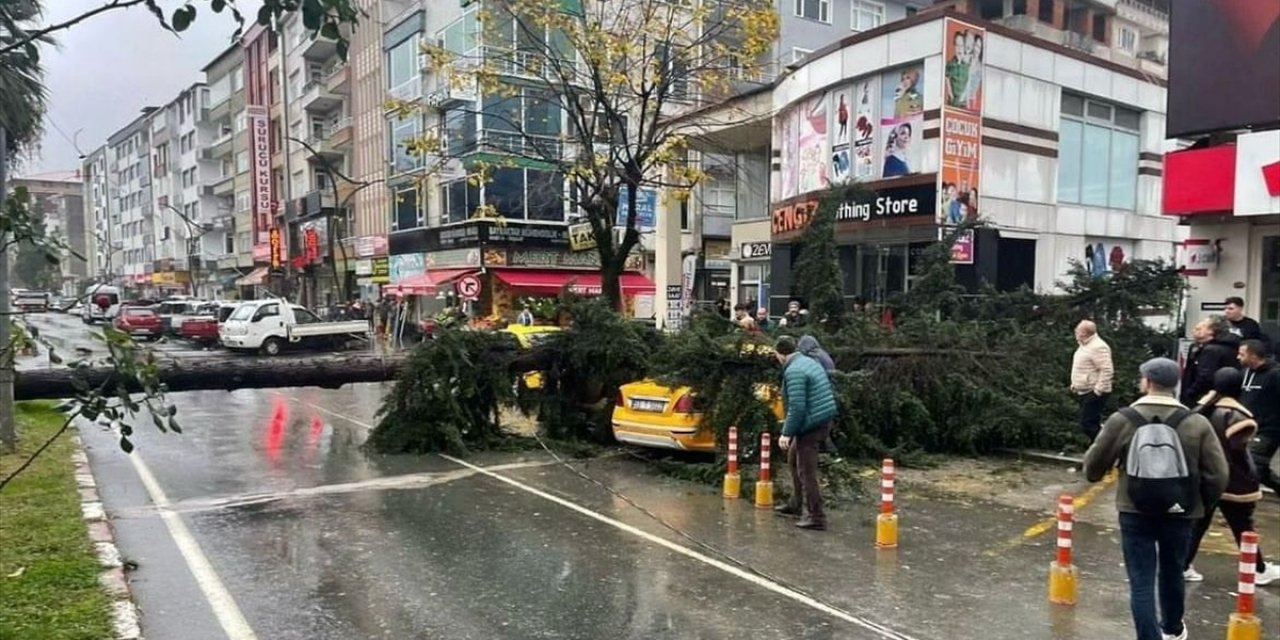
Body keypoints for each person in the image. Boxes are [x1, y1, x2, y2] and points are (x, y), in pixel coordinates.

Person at [1082, 358, 1228, 640]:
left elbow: (1092, 468)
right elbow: (1219, 474)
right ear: (1175, 384)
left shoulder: (1122, 419)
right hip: (1182, 511)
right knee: (1173, 570)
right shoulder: (1196, 422)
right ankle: (1173, 629)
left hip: (1134, 509)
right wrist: (1202, 503)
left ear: (1147, 381)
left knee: (1141, 581)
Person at [1184, 368, 1280, 585]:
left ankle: (1183, 565)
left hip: (1205, 478)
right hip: (1233, 481)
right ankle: (1258, 569)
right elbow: (1238, 452)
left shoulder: (1202, 410)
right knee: (1243, 526)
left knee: (1198, 524)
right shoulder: (1237, 416)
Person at [773, 336, 838, 531]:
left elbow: (798, 407)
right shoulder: (807, 361)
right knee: (793, 459)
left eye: (776, 355)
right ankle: (796, 503)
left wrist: (786, 433)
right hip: (821, 418)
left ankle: (816, 516)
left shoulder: (794, 370)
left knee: (806, 470)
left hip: (812, 424)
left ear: (781, 354)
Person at [1239, 339, 1280, 495]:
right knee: (1249, 466)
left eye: (1242, 354)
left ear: (1254, 356)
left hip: (1268, 429)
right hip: (1246, 427)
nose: (1238, 357)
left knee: (1254, 465)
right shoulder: (1244, 373)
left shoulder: (1275, 374)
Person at [1179, 316, 1240, 407]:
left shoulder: (1211, 350)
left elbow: (1205, 377)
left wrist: (1190, 393)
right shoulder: (1230, 347)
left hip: (1203, 400)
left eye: (1203, 326)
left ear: (1211, 331)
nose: (1196, 329)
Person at [1070, 320, 1113, 442]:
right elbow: (1083, 367)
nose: (1075, 332)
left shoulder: (1098, 346)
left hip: (1094, 391)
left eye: (1077, 330)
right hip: (1084, 390)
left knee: (1088, 424)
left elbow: (1107, 370)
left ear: (1084, 332)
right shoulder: (1084, 345)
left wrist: (1098, 390)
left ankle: (1105, 449)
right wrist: (1075, 384)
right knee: (1090, 423)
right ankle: (1099, 450)